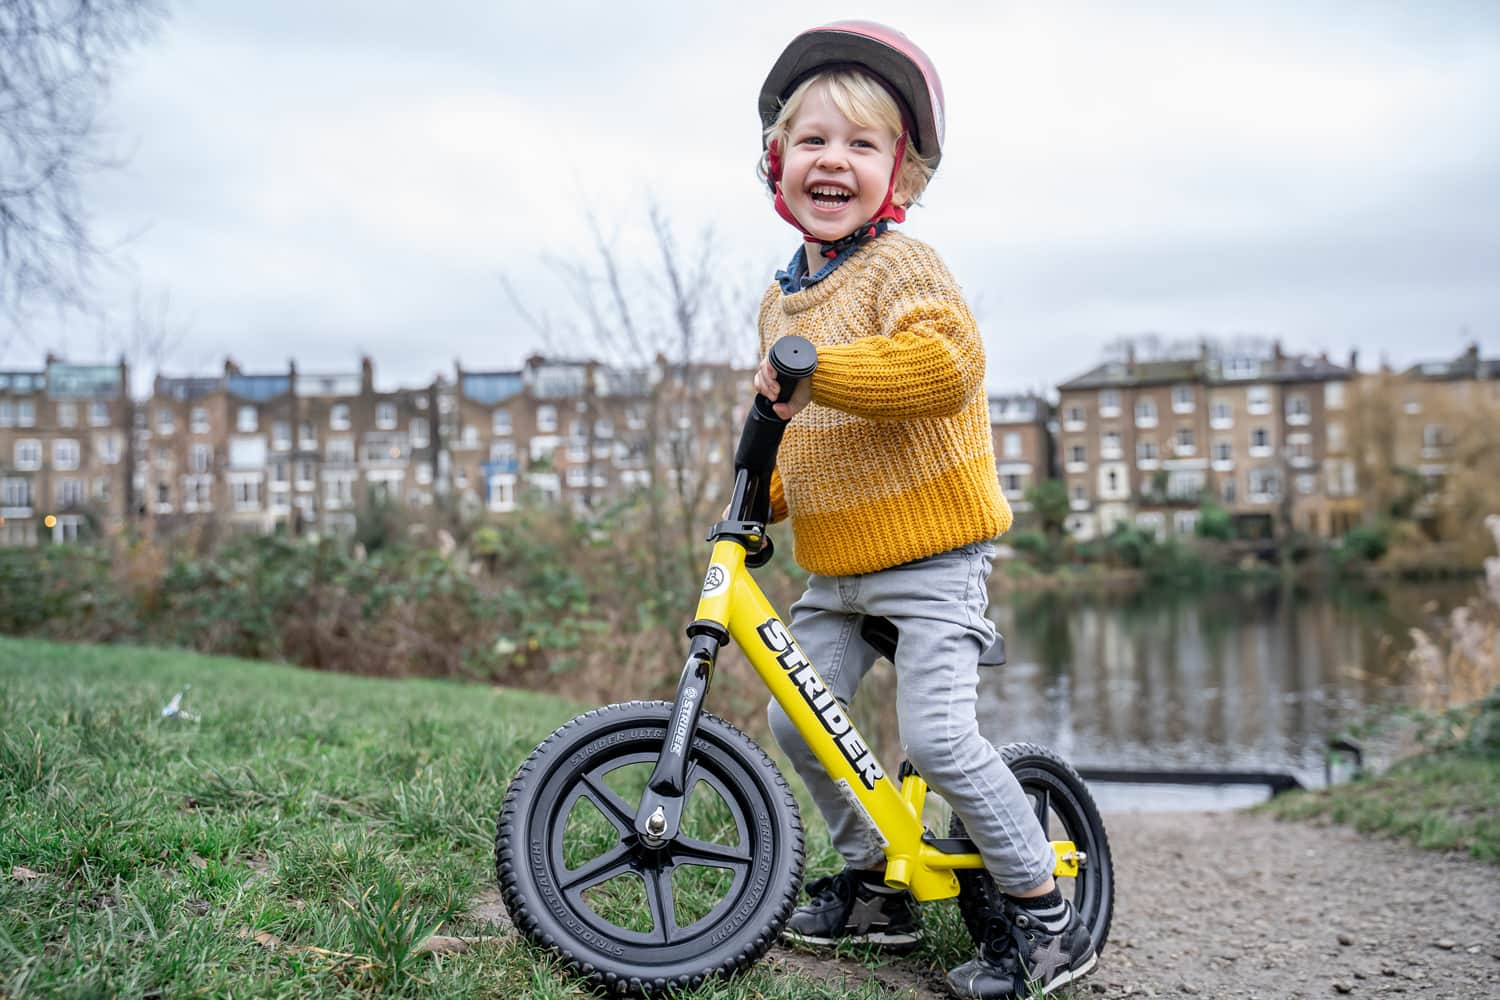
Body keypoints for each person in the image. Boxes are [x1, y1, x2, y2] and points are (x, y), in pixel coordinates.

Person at [749, 21, 1096, 1000]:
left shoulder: (906, 267)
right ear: (776, 161)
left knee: (940, 740)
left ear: (900, 176)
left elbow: (945, 367)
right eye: (813, 140)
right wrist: (756, 498)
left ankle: (1044, 914)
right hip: (836, 563)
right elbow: (793, 430)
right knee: (797, 724)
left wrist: (825, 375)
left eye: (863, 146)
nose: (835, 160)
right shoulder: (778, 302)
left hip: (935, 557)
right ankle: (873, 882)